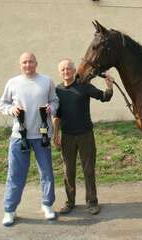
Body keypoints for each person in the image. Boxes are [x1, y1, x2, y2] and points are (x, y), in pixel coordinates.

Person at [0, 52, 59, 226]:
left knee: (46, 172)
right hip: (20, 136)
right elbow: (3, 103)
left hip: (42, 136)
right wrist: (11, 110)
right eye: (24, 62)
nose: (28, 65)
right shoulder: (12, 82)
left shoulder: (46, 81)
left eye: (31, 62)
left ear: (36, 63)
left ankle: (47, 205)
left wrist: (51, 108)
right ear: (20, 64)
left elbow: (55, 101)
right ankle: (10, 210)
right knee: (15, 174)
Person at [53, 58, 113, 215]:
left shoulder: (84, 86)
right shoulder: (58, 91)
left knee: (88, 170)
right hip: (67, 136)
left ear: (74, 71)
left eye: (68, 68)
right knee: (68, 171)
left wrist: (109, 87)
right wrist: (55, 134)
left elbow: (104, 97)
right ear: (60, 73)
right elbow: (57, 116)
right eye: (63, 70)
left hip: (85, 134)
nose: (66, 71)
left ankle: (92, 202)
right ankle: (70, 202)